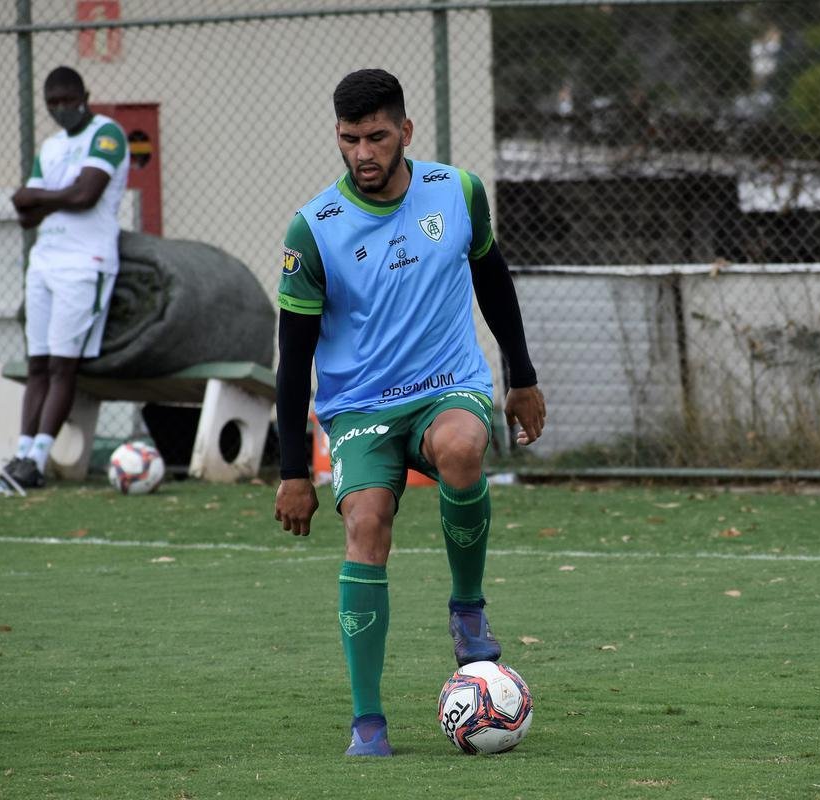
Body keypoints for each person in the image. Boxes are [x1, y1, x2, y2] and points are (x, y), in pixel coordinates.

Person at [273, 69, 546, 756]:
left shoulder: (456, 191)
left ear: (405, 132)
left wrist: (521, 377)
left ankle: (467, 609)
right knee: (366, 522)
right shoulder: (311, 232)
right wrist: (291, 470)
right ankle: (368, 720)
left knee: (460, 447)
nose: (362, 153)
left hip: (444, 384)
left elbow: (491, 274)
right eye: (348, 139)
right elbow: (291, 358)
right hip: (359, 406)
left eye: (376, 137)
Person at [1, 66, 130, 489]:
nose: (60, 109)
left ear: (84, 95)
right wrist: (50, 198)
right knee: (36, 363)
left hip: (84, 261)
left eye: (66, 100)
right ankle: (19, 456)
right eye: (52, 103)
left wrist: (39, 196)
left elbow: (86, 193)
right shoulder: (51, 146)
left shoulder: (106, 134)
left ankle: (37, 461)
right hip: (44, 260)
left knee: (61, 364)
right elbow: (25, 215)